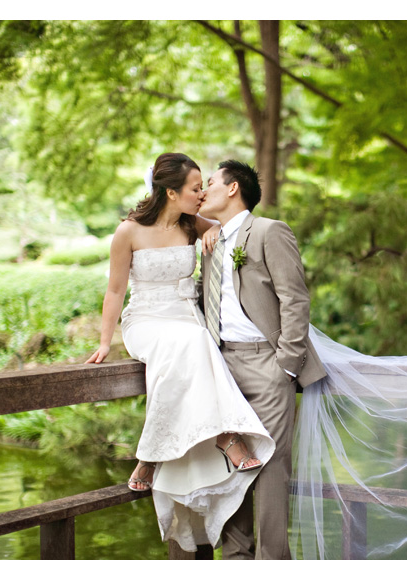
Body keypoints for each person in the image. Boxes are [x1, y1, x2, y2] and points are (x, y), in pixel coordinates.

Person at [84, 152, 275, 553]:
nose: (202, 192)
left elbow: (226, 230)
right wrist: (105, 341)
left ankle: (152, 456)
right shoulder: (128, 232)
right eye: (194, 187)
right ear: (171, 192)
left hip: (187, 318)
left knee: (194, 341)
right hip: (147, 321)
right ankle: (225, 436)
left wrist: (211, 234)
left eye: (204, 184)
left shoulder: (194, 223)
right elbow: (116, 290)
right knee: (193, 343)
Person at [198, 160, 327, 560]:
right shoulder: (212, 240)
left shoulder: (270, 231)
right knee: (229, 460)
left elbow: (295, 298)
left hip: (267, 364)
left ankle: (272, 561)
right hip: (221, 366)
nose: (204, 189)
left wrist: (286, 365)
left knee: (270, 465)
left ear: (233, 188)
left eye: (211, 182)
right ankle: (236, 559)